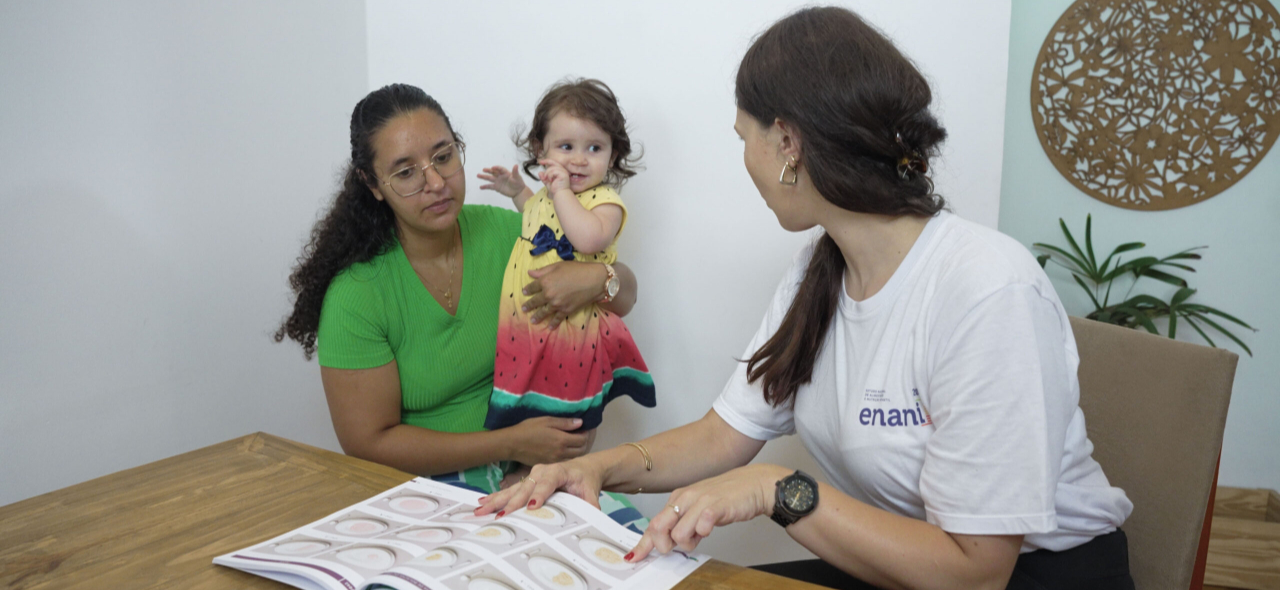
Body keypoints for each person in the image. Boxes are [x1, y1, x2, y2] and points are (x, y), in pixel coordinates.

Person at [475, 7, 1135, 589]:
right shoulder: (818, 271)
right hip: (898, 566)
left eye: (745, 139)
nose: (745, 161)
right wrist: (592, 470)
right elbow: (721, 436)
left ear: (788, 143)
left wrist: (776, 489)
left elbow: (975, 572)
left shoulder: (986, 288)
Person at [274, 83, 646, 531]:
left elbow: (625, 296)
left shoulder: (507, 233)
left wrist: (598, 278)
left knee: (636, 545)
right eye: (405, 173)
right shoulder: (357, 293)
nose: (435, 183)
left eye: (444, 156)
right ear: (373, 185)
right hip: (424, 493)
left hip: (533, 474)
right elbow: (368, 444)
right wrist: (512, 443)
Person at [477, 78, 655, 434]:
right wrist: (519, 192)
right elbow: (539, 219)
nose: (578, 159)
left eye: (594, 148)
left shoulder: (605, 202)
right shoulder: (549, 198)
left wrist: (560, 191)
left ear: (612, 156)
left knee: (565, 413)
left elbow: (586, 239)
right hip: (528, 324)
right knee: (526, 405)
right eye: (566, 146)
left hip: (573, 325)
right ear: (540, 148)